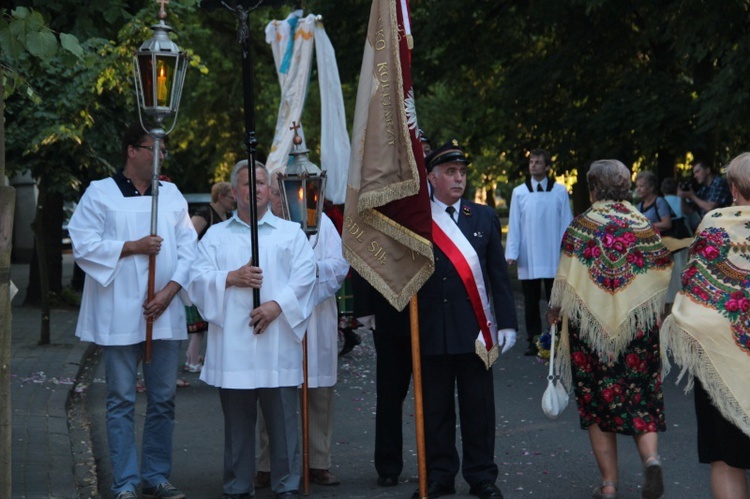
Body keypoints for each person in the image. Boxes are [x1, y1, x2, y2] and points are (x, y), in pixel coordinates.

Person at [67, 122, 196, 499]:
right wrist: (133, 246)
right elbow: (84, 244)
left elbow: (190, 251)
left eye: (164, 150)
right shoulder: (100, 193)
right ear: (131, 151)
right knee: (121, 399)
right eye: (153, 149)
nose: (160, 157)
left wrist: (171, 291)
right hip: (119, 313)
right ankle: (125, 481)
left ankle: (156, 475)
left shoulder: (171, 195)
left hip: (164, 311)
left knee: (163, 399)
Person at [188, 160, 316, 499]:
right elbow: (197, 281)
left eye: (261, 183)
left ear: (269, 190)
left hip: (277, 342)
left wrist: (277, 306)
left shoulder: (291, 233)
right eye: (248, 184)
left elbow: (306, 277)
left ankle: (286, 486)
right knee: (238, 426)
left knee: (284, 423)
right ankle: (238, 486)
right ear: (234, 191)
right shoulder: (215, 237)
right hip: (235, 344)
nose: (256, 189)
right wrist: (231, 277)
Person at [546, 160, 673, 499]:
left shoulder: (581, 226)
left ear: (592, 187)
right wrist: (653, 312)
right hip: (637, 330)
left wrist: (554, 311)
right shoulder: (643, 224)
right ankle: (651, 459)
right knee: (641, 399)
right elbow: (662, 268)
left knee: (598, 407)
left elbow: (565, 280)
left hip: (591, 332)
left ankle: (609, 485)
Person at [415, 140, 518, 499]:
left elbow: (497, 277)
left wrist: (506, 323)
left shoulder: (484, 216)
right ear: (432, 177)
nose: (458, 179)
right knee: (436, 409)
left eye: (461, 172)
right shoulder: (416, 220)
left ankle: (482, 476)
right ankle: (440, 475)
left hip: (475, 329)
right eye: (449, 172)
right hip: (430, 328)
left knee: (478, 409)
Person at [662, 152, 750, 499]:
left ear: (732, 187)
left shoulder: (714, 223)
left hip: (720, 360)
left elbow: (695, 290)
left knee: (726, 460)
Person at [255, 173, 349, 488]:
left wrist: (309, 275)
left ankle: (317, 461)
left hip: (316, 318)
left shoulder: (320, 222)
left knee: (318, 392)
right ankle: (270, 463)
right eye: (278, 193)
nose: (282, 199)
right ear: (271, 193)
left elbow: (338, 266)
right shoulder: (265, 226)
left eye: (289, 193)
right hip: (277, 319)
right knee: (274, 392)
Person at [505, 148, 573, 356]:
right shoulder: (520, 192)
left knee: (556, 299)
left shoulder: (559, 191)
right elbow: (514, 223)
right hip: (530, 254)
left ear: (547, 166)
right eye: (531, 162)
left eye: (537, 162)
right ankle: (533, 339)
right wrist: (512, 253)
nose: (533, 165)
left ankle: (558, 336)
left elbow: (566, 221)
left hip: (553, 254)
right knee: (531, 300)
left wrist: (568, 250)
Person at [184, 181, 235, 373]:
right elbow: (188, 238)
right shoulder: (205, 213)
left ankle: (196, 357)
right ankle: (192, 359)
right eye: (231, 197)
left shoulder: (229, 216)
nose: (234, 201)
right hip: (201, 272)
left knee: (208, 321)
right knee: (199, 322)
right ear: (220, 197)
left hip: (221, 273)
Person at [678, 159, 732, 230]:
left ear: (707, 170)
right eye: (694, 173)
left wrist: (692, 196)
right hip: (709, 229)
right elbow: (687, 211)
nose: (695, 176)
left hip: (723, 228)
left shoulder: (720, 183)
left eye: (697, 171)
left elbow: (710, 207)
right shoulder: (704, 189)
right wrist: (682, 197)